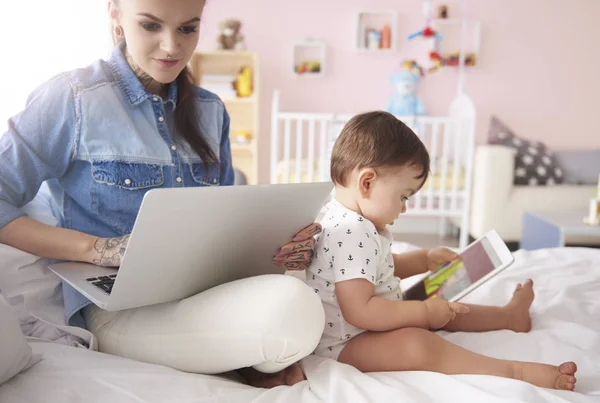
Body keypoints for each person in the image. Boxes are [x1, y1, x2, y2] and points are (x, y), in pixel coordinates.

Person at [0, 0, 324, 388]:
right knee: (290, 314)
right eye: (151, 26)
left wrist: (280, 247)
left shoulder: (211, 111)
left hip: (202, 291)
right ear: (115, 16)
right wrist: (97, 248)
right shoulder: (72, 98)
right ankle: (250, 355)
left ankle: (249, 352)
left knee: (295, 295)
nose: (171, 47)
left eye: (188, 28)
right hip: (117, 307)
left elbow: (224, 228)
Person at [305, 111, 578, 391]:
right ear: (367, 182)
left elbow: (379, 268)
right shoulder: (352, 231)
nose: (404, 208)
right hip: (347, 342)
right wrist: (423, 313)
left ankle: (509, 317)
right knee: (419, 344)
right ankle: (514, 371)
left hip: (371, 322)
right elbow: (360, 312)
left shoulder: (343, 216)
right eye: (403, 196)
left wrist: (424, 260)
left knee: (446, 307)